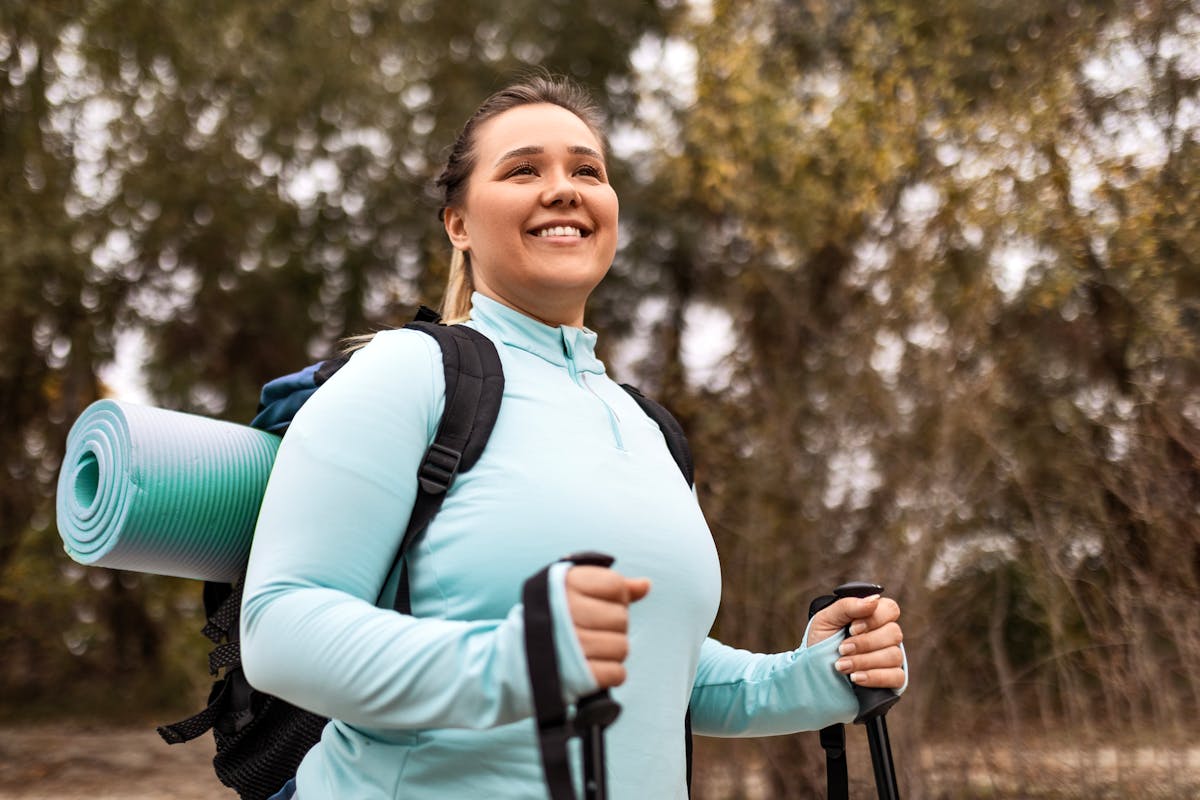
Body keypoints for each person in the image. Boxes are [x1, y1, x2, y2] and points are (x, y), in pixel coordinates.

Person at [240, 74, 906, 800]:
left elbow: (660, 674)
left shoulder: (650, 428)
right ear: (458, 224)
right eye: (524, 169)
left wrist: (812, 680)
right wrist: (506, 664)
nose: (564, 189)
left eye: (587, 170)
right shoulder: (411, 372)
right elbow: (281, 628)